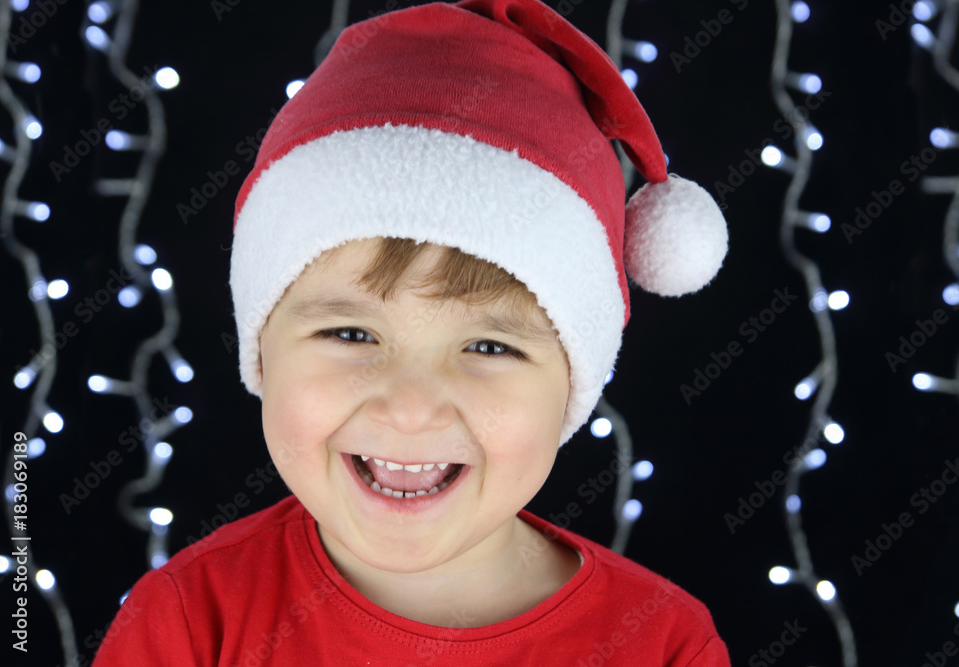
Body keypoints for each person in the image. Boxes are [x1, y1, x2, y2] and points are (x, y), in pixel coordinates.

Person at [93, 0, 730, 663]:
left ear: (574, 384)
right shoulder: (190, 621)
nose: (410, 406)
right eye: (351, 333)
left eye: (489, 346)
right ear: (262, 348)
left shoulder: (662, 642)